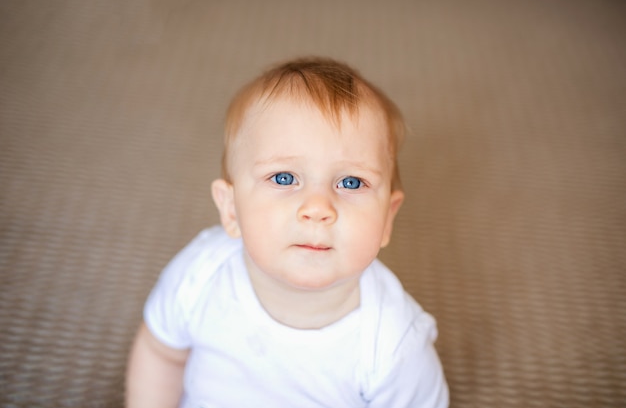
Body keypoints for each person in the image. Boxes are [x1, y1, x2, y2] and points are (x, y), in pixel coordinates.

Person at [126, 57, 449, 408]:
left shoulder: (395, 344)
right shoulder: (199, 276)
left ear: (387, 218)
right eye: (284, 178)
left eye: (351, 182)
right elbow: (161, 354)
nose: (317, 208)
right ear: (231, 209)